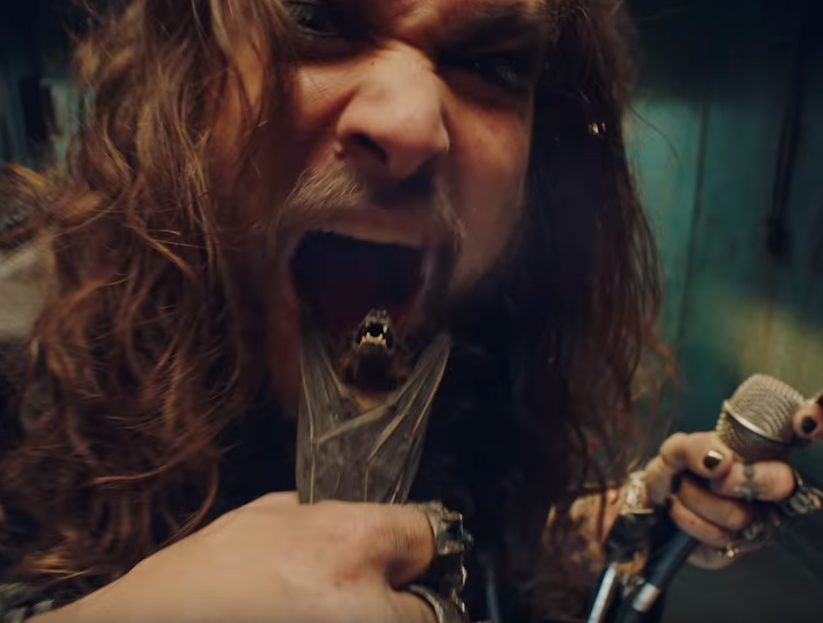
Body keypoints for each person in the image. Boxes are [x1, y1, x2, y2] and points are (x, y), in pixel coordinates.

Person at [0, 0, 821, 621]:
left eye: (491, 65)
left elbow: (472, 540)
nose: (411, 122)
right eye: (316, 20)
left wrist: (613, 522)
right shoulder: (20, 353)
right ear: (184, 79)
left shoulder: (476, 346)